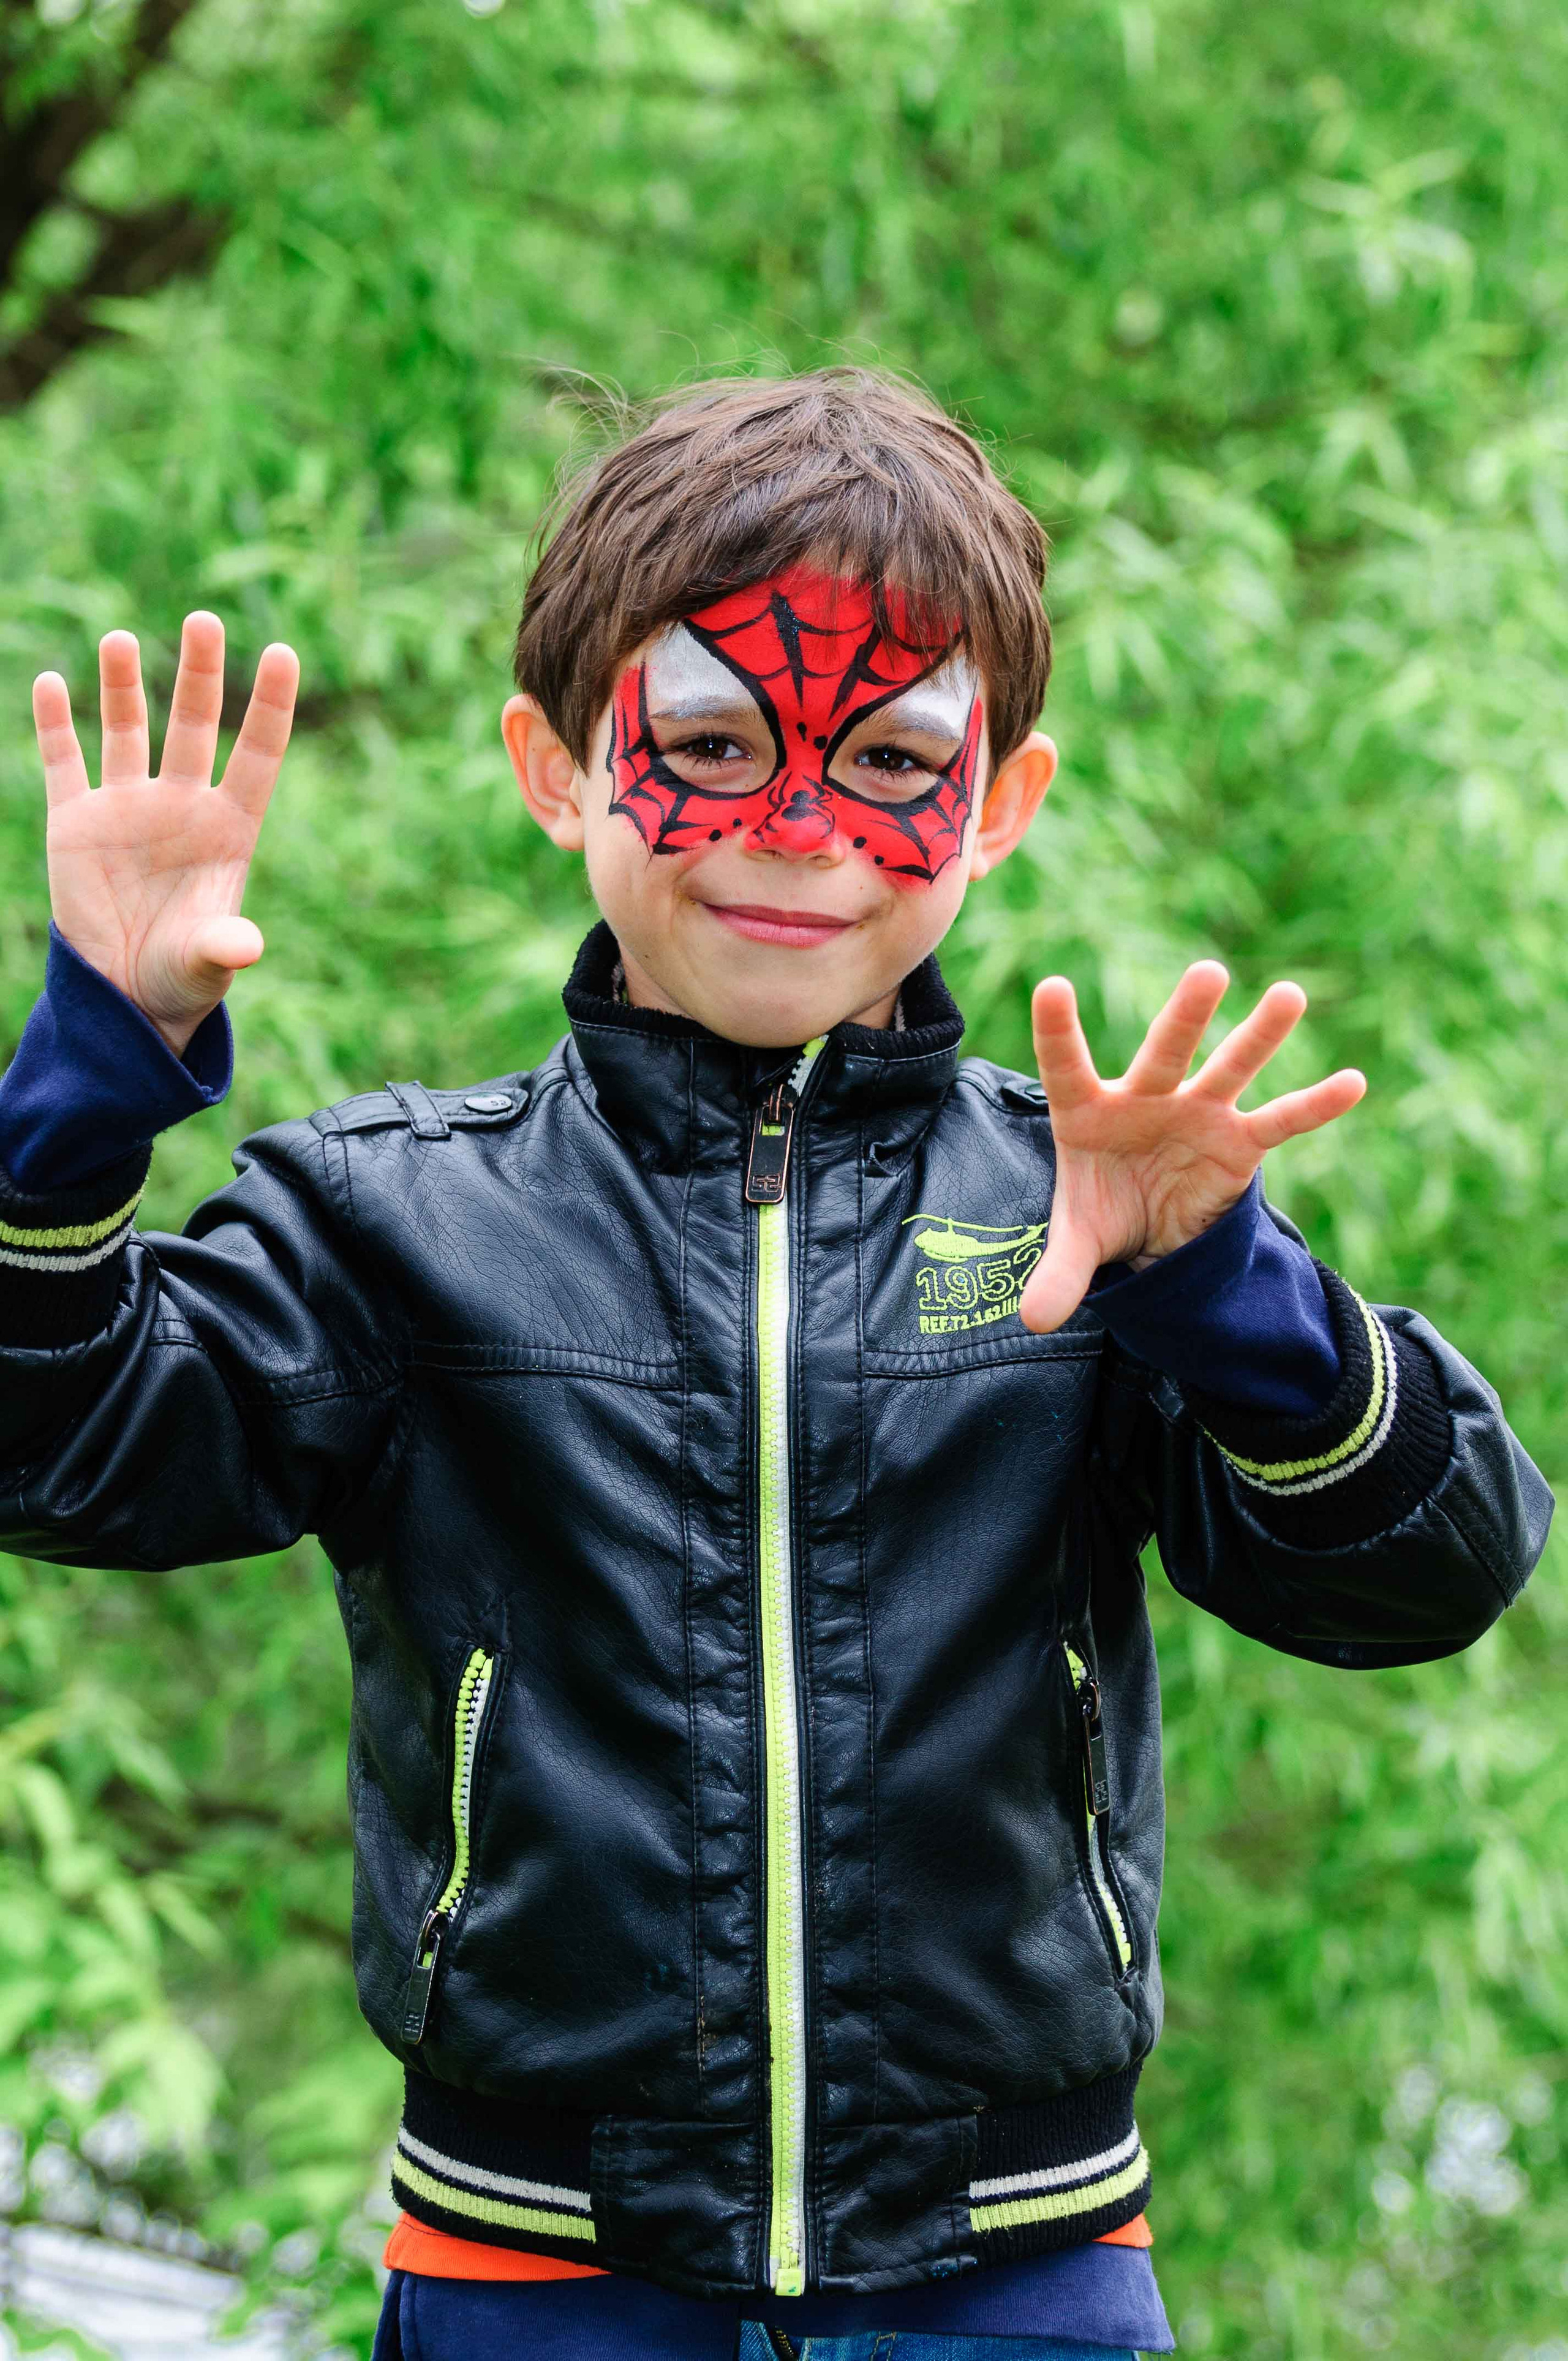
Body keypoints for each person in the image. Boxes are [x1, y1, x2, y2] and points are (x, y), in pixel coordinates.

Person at [0, 370, 1549, 2361]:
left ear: (997, 804)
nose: (799, 831)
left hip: (1024, 2272)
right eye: (714, 744)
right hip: (531, 2275)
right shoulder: (389, 1221)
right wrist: (80, 1095)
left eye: (891, 761)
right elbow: (63, 1448)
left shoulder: (1097, 1213)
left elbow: (1437, 1574)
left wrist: (1228, 1295)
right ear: (559, 770)